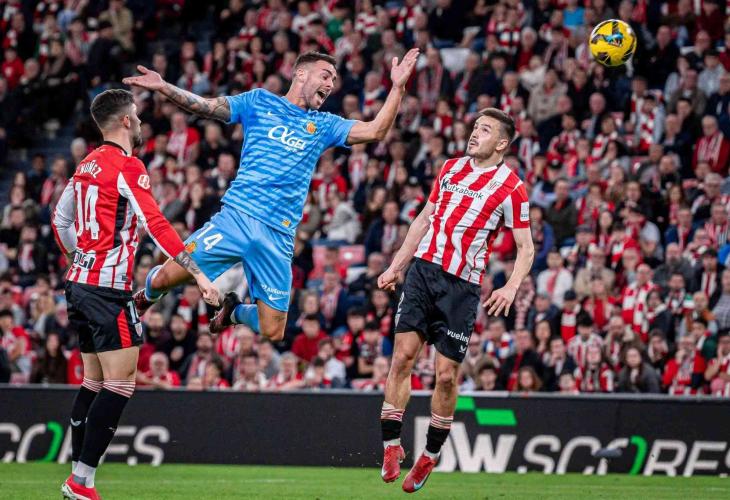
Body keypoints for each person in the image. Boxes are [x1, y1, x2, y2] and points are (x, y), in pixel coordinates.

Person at [124, 49, 419, 343]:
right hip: (236, 220)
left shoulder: (324, 125)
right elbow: (206, 106)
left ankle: (234, 312)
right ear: (300, 73)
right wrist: (164, 86)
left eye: (334, 79)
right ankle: (145, 297)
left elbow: (376, 131)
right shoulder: (259, 101)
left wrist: (398, 87)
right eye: (325, 76)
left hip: (278, 236)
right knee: (164, 279)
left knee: (273, 330)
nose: (330, 84)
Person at [51, 89, 219, 500]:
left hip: (78, 283)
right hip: (107, 289)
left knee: (94, 380)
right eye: (138, 116)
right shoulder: (128, 165)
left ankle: (77, 477)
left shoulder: (86, 165)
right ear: (125, 121)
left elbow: (60, 220)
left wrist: (79, 257)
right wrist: (197, 273)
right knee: (121, 384)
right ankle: (81, 481)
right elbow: (156, 222)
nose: (142, 122)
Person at [376, 109, 534, 492]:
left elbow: (526, 247)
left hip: (462, 288)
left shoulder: (512, 188)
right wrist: (397, 265)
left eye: (485, 130)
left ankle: (430, 454)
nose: (474, 133)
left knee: (446, 377)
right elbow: (423, 220)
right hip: (423, 273)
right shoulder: (450, 168)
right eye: (475, 127)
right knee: (402, 358)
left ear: (502, 143)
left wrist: (511, 287)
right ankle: (391, 445)